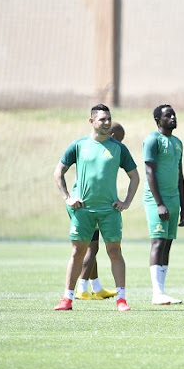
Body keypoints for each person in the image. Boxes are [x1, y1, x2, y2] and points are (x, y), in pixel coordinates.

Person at [53, 104, 139, 312]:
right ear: (91, 121)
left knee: (114, 251)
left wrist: (126, 202)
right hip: (83, 210)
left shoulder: (118, 148)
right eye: (102, 119)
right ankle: (67, 299)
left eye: (109, 118)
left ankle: (121, 299)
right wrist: (67, 197)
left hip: (110, 210)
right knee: (77, 253)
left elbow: (134, 176)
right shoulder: (79, 145)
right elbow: (59, 172)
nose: (107, 122)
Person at [75, 121, 126, 301]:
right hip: (87, 205)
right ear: (113, 138)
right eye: (120, 140)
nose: (121, 144)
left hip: (88, 203)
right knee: (90, 248)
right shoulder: (107, 149)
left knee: (92, 247)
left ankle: (96, 287)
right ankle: (81, 288)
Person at [144, 105, 184, 305]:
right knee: (158, 242)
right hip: (156, 199)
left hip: (174, 199)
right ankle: (156, 293)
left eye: (173, 114)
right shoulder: (153, 140)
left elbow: (180, 176)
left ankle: (161, 291)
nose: (172, 117)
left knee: (167, 244)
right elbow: (150, 172)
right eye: (167, 115)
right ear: (157, 120)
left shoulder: (177, 143)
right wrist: (159, 203)